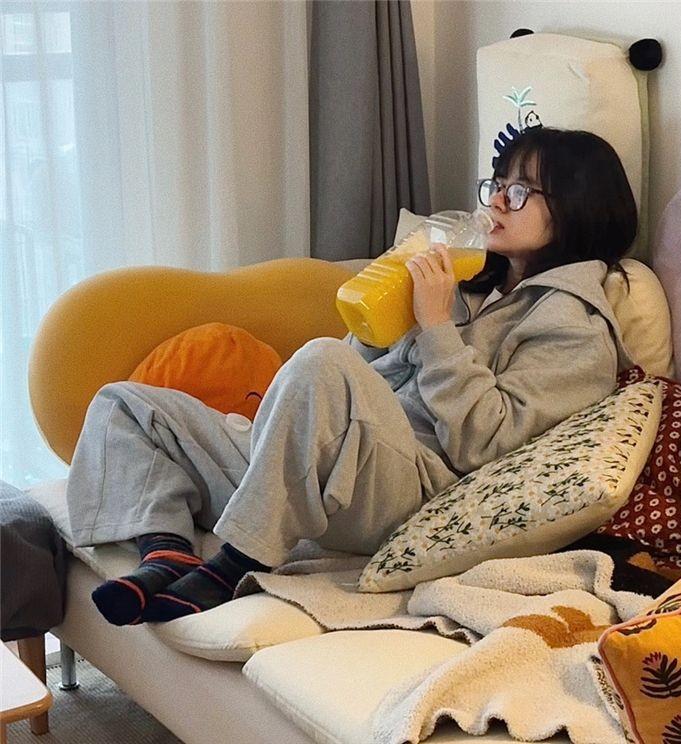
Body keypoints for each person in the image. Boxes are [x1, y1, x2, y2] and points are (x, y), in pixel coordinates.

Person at [65, 127, 638, 625]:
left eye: (520, 191)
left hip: (408, 491)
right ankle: (166, 549)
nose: (497, 203)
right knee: (126, 405)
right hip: (331, 466)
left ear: (577, 207)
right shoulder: (469, 282)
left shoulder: (576, 328)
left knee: (321, 359)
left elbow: (486, 443)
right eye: (496, 185)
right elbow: (352, 375)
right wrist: (385, 311)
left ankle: (235, 562)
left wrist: (436, 328)